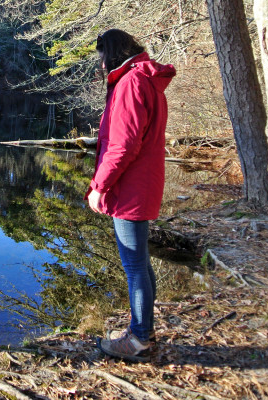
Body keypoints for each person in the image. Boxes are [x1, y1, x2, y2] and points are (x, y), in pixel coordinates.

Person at [86, 29, 175, 362]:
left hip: (130, 189)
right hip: (141, 185)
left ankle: (139, 340)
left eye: (101, 56)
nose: (100, 63)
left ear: (112, 53)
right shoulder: (145, 79)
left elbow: (124, 147)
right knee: (140, 264)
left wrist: (99, 186)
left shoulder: (131, 83)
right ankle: (144, 331)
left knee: (135, 267)